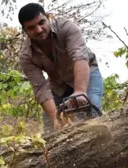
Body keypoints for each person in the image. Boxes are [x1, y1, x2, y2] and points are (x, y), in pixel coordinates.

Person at [18, 3, 104, 133]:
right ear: (24, 30)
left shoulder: (67, 28)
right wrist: (55, 118)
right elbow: (40, 87)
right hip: (58, 86)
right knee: (51, 128)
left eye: (41, 22)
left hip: (87, 75)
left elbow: (79, 57)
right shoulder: (26, 55)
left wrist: (80, 91)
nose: (39, 30)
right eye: (31, 28)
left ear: (48, 17)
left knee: (91, 110)